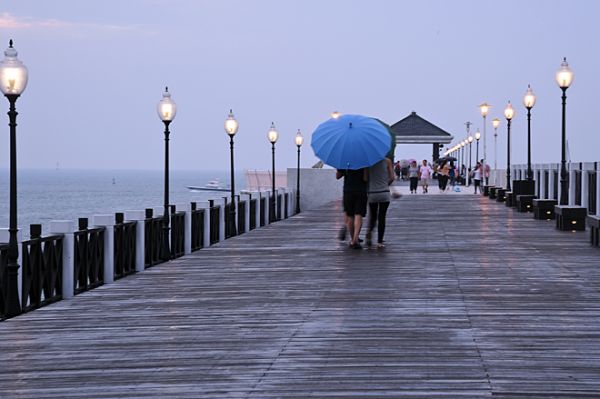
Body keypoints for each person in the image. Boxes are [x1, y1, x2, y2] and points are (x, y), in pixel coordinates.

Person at [366, 158, 395, 249]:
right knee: (382, 217)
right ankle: (379, 241)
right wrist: (386, 184)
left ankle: (369, 233)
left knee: (373, 216)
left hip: (372, 193)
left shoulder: (368, 162)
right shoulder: (387, 161)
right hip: (384, 193)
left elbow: (365, 178)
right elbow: (392, 178)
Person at [336, 167, 368, 249]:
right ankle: (355, 240)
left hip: (348, 191)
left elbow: (337, 176)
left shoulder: (344, 161)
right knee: (359, 214)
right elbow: (365, 178)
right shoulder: (363, 161)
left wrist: (342, 170)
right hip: (361, 191)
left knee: (350, 216)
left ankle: (353, 239)